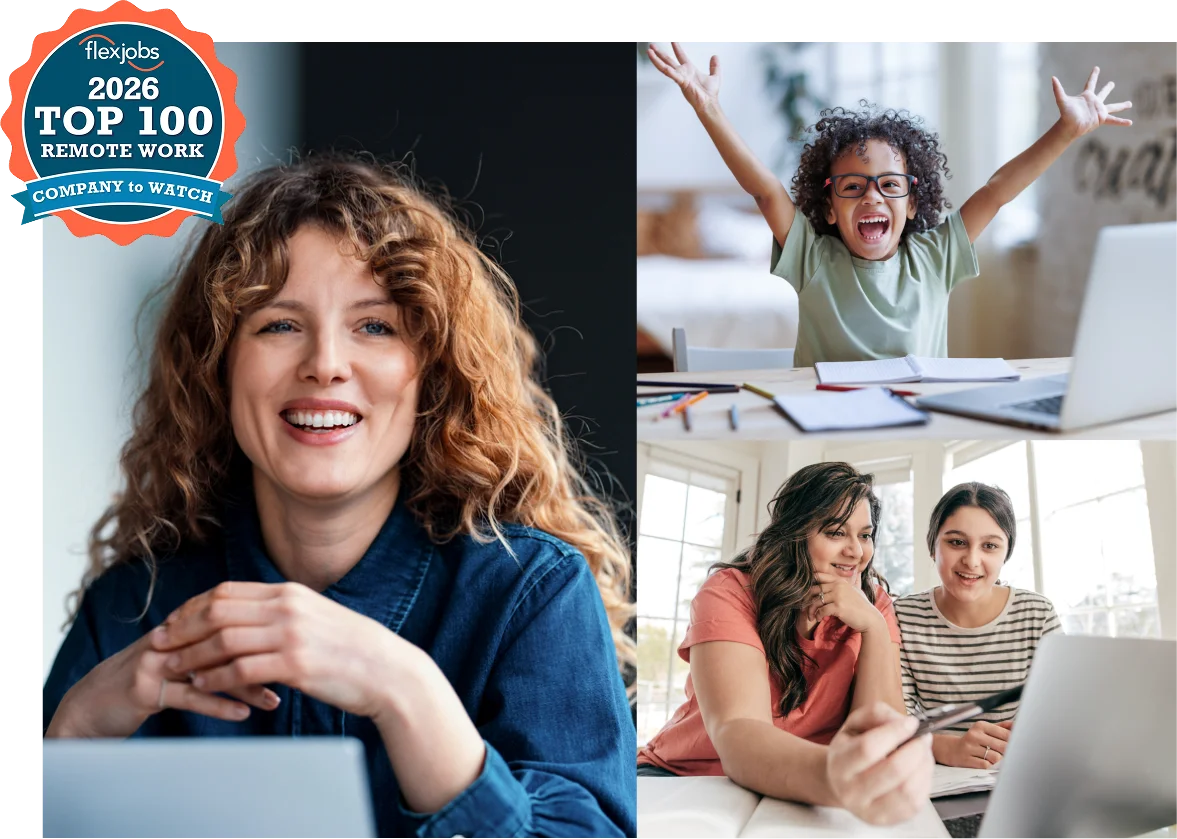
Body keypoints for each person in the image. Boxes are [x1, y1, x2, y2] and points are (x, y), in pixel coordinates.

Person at [40, 155, 637, 839]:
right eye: (278, 324)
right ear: (218, 366)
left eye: (374, 326)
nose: (324, 362)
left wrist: (403, 688)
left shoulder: (532, 592)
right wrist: (73, 733)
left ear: (431, 374)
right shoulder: (129, 605)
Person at [646, 42, 1133, 367]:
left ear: (914, 200)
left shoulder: (936, 257)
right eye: (853, 187)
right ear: (830, 206)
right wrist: (707, 107)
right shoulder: (813, 258)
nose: (873, 195)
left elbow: (998, 190)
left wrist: (1066, 130)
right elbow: (766, 191)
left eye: (888, 185)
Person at [637, 462, 934, 827]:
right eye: (836, 532)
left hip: (802, 785)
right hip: (691, 777)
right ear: (794, 533)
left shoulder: (874, 604)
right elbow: (739, 732)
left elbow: (881, 733)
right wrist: (837, 776)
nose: (856, 551)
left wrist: (872, 626)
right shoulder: (730, 592)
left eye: (866, 535)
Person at [895, 482, 1062, 770]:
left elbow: (1061, 715)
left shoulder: (1037, 614)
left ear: (1005, 553)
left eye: (989, 546)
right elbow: (895, 724)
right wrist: (945, 747)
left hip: (1018, 774)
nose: (972, 560)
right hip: (933, 778)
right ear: (933, 546)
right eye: (956, 542)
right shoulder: (902, 617)